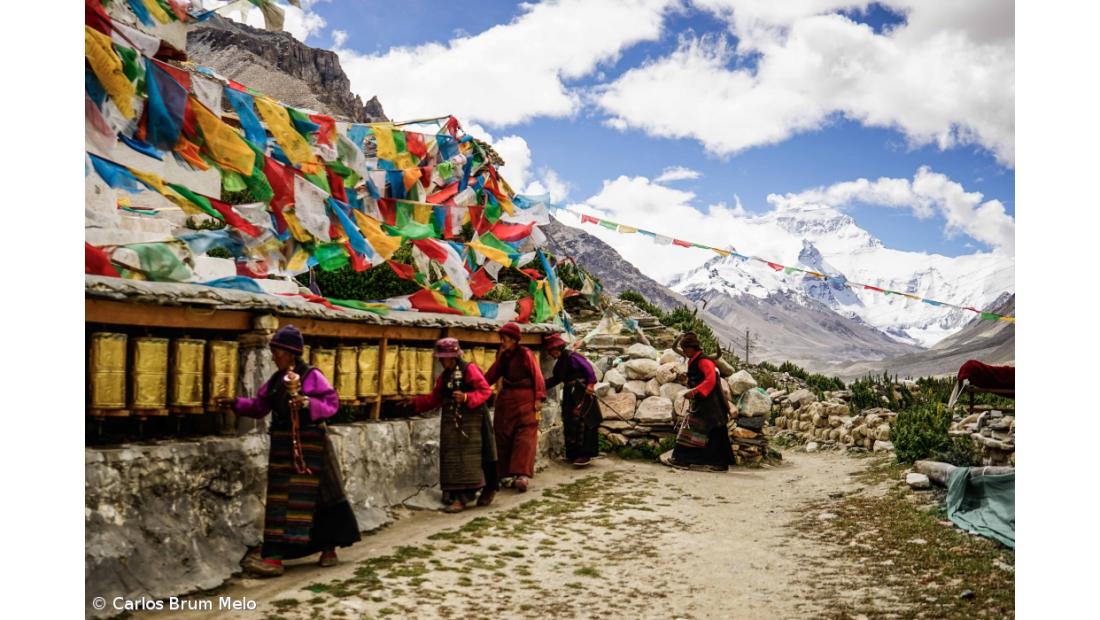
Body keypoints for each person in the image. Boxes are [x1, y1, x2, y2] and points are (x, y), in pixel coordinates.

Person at [219, 325, 361, 577]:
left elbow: (331, 403)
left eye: (278, 352)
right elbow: (260, 406)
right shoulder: (276, 381)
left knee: (319, 496)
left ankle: (328, 548)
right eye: (273, 352)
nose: (274, 357)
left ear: (291, 354)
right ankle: (274, 557)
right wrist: (236, 404)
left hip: (311, 446)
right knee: (281, 500)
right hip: (283, 446)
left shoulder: (311, 376)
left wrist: (307, 402)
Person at [402, 338, 497, 513]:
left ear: (452, 357)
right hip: (452, 421)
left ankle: (465, 497)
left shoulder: (469, 369)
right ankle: (453, 493)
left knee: (469, 456)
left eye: (442, 358)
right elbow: (436, 397)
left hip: (472, 420)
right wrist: (415, 403)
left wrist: (467, 397)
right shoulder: (445, 376)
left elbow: (485, 391)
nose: (440, 361)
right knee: (451, 456)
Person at [483, 322, 545, 493]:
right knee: (502, 434)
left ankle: (522, 475)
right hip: (507, 401)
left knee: (525, 437)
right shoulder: (504, 356)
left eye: (504, 338)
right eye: (501, 338)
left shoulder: (526, 353)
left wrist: (539, 397)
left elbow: (537, 375)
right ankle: (503, 474)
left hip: (526, 399)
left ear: (513, 339)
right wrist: (476, 386)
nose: (502, 341)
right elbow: (491, 375)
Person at [668, 332, 732, 472]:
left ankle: (684, 460)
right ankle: (686, 460)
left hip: (711, 403)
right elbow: (698, 378)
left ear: (692, 348)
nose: (684, 352)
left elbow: (710, 380)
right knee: (698, 430)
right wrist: (685, 379)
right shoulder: (694, 360)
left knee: (710, 431)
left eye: (685, 349)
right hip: (703, 402)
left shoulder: (704, 361)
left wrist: (694, 391)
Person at [542, 333, 601, 466]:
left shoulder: (572, 356)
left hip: (581, 392)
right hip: (570, 394)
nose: (550, 354)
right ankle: (573, 454)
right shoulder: (560, 363)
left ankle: (585, 454)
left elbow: (588, 368)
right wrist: (540, 385)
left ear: (557, 349)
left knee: (582, 422)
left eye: (551, 351)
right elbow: (556, 379)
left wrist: (590, 384)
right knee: (570, 421)